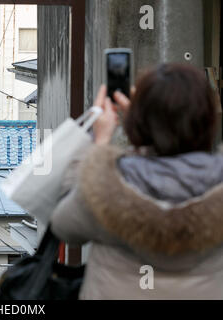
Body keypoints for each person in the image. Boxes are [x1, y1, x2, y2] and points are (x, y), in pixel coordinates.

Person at [50, 63, 223, 299]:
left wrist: (99, 143)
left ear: (139, 122)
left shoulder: (108, 186)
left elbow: (64, 227)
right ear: (209, 120)